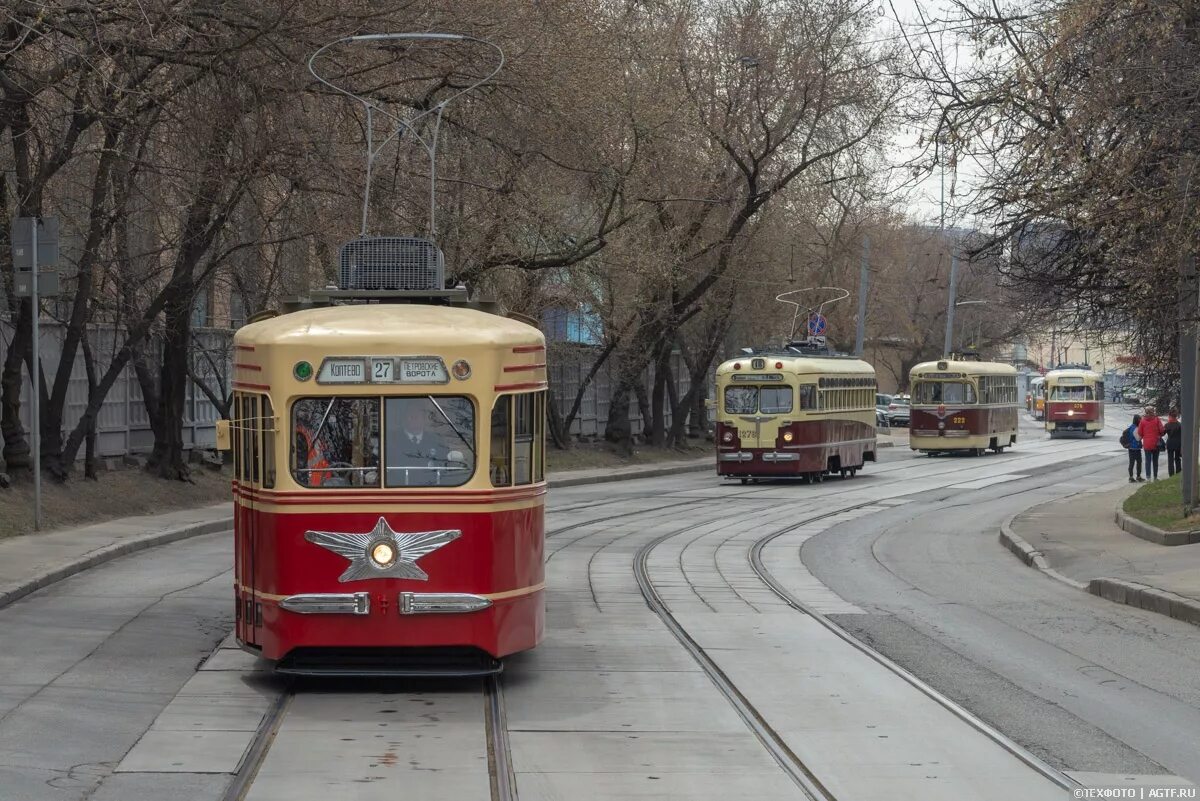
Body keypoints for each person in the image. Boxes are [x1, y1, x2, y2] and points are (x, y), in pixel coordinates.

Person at [1138, 406, 1166, 480]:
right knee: (1155, 461)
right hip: (1156, 443)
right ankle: (1155, 476)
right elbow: (1162, 430)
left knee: (1148, 461)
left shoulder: (1142, 421)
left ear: (1146, 412)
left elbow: (1139, 432)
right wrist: (1160, 434)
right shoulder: (1157, 420)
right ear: (1153, 411)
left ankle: (1148, 477)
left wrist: (1145, 435)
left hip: (1147, 444)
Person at [1124, 413, 1143, 482]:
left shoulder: (1131, 427)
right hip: (1135, 448)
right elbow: (1138, 438)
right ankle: (1137, 476)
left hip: (1131, 448)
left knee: (1131, 463)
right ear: (1137, 420)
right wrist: (1142, 435)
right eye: (1139, 419)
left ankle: (1131, 477)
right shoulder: (1135, 428)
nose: (1141, 420)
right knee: (1138, 462)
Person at [1165, 408, 1183, 477]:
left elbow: (1162, 433)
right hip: (1178, 444)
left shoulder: (1167, 425)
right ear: (1176, 416)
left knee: (1170, 460)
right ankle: (1178, 473)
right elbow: (1182, 435)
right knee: (1177, 459)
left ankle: (1171, 474)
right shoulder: (1180, 425)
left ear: (1170, 416)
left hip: (1170, 444)